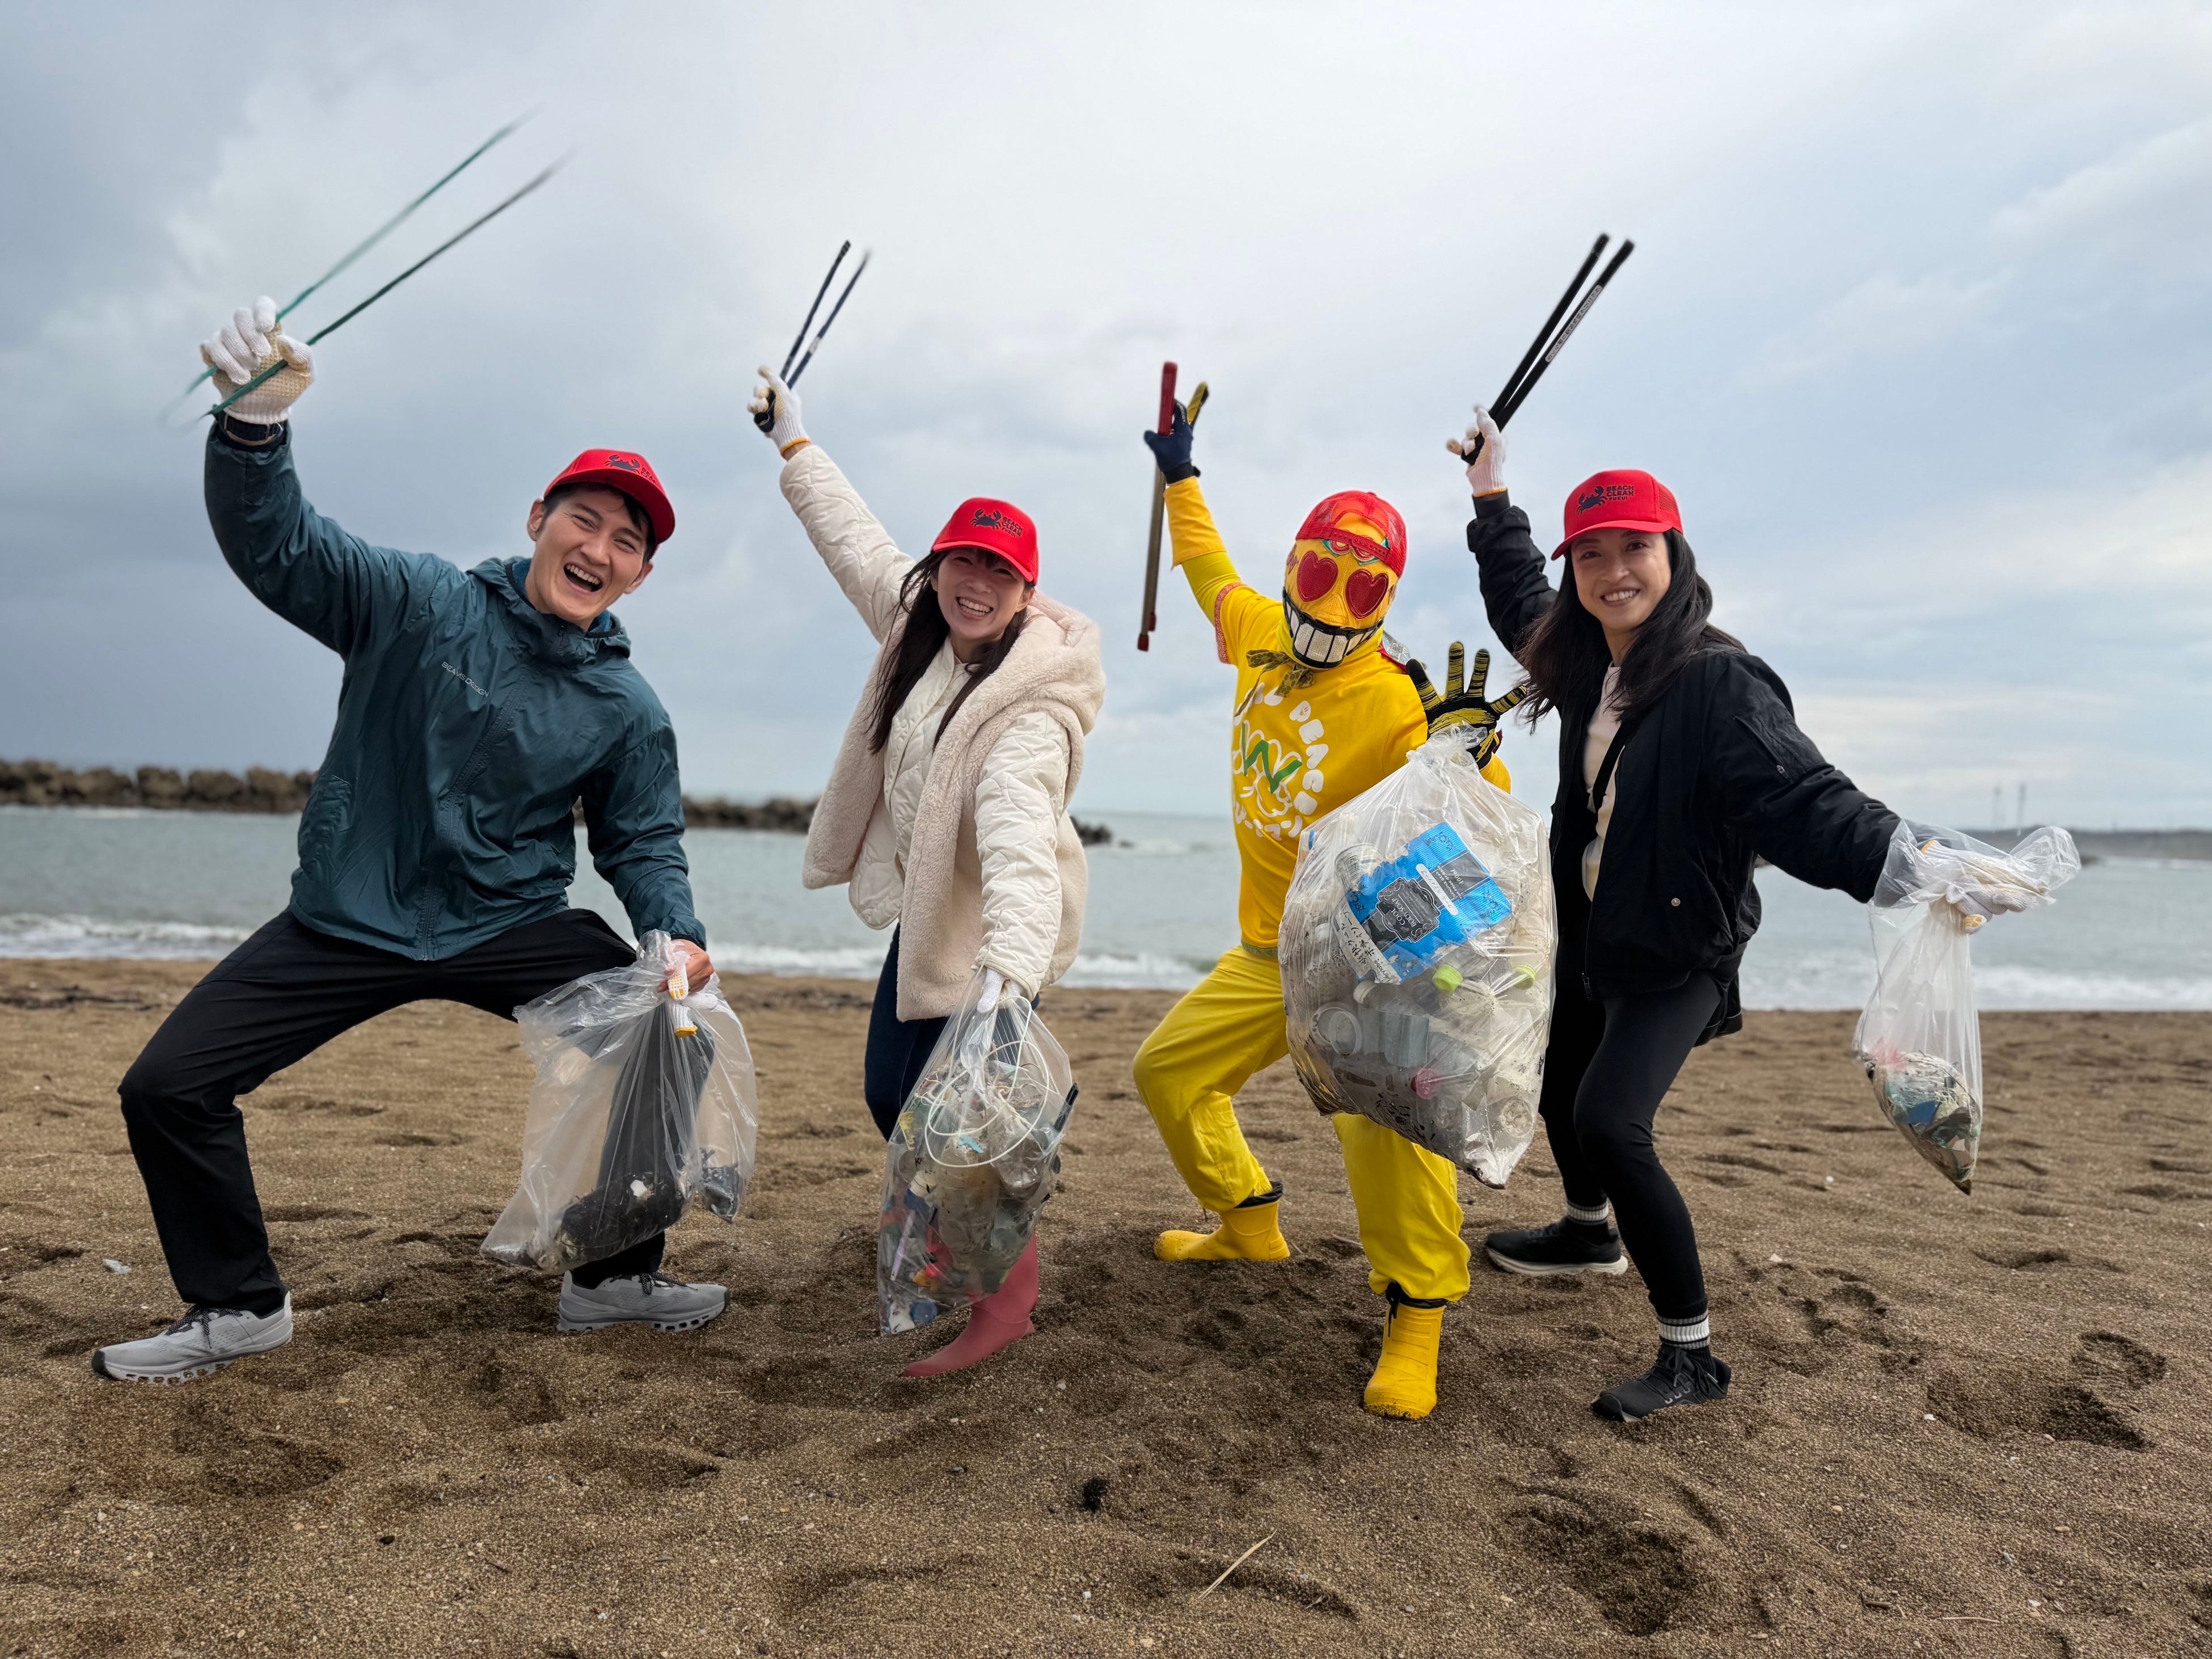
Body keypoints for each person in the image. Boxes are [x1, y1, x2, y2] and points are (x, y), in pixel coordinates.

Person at [93, 299, 725, 1384]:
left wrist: (674, 933)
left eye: (628, 541)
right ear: (539, 517)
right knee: (165, 1086)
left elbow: (645, 840)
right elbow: (284, 548)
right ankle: (239, 1305)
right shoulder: (420, 602)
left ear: (641, 575)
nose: (599, 548)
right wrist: (254, 433)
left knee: (673, 1031)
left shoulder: (627, 707)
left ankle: (614, 1277)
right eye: (584, 520)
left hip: (508, 922)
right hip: (351, 913)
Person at [1453, 406, 2029, 1421]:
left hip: (1682, 944)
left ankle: (1692, 1355)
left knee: (1610, 1120)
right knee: (1555, 1076)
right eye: (1591, 554)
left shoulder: (1717, 682)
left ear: (1673, 554)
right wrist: (1492, 498)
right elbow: (1520, 602)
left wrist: (1913, 864)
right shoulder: (1587, 660)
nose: (1613, 571)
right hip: (1594, 928)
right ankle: (1588, 1231)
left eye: (1634, 547)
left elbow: (1804, 800)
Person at [1129, 400, 1520, 1421]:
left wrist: (1475, 754)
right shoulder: (1259, 631)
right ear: (1294, 565)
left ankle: (1419, 1311)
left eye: (1364, 585)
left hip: (1361, 966)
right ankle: (1247, 1217)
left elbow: (1469, 820)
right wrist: (1181, 476)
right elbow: (1206, 568)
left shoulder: (1393, 697)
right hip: (1268, 953)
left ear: (1386, 598)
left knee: (1382, 1129)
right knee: (1169, 1073)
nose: (1335, 600)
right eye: (1319, 571)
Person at [748, 366, 1104, 1377]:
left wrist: (1008, 978)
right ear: (942, 566)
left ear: (1027, 592)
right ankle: (954, 1242)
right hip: (930, 921)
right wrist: (794, 444)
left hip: (995, 947)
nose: (974, 583)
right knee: (889, 1096)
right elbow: (858, 545)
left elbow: (1020, 845)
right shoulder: (922, 627)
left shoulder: (1029, 712)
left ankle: (1007, 1303)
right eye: (962, 560)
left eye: (999, 571)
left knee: (970, 1125)